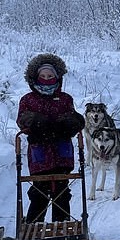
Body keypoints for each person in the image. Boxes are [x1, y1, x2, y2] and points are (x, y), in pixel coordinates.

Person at [17, 53, 85, 225]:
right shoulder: (28, 99)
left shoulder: (64, 98)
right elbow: (22, 120)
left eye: (50, 76)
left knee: (62, 191)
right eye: (43, 76)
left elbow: (73, 116)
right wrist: (35, 120)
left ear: (57, 77)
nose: (47, 79)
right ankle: (34, 225)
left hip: (62, 151)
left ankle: (61, 224)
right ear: (36, 77)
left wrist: (74, 121)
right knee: (39, 191)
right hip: (40, 152)